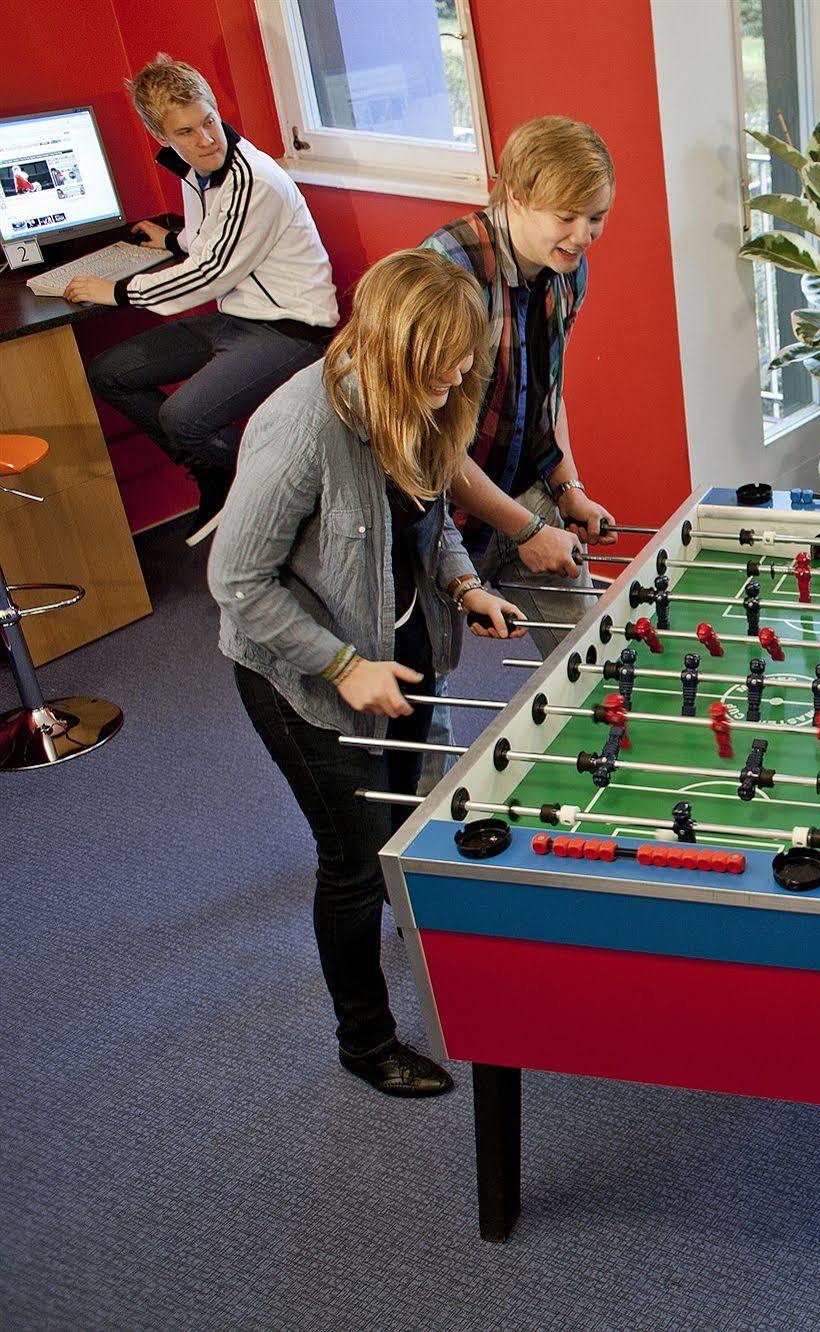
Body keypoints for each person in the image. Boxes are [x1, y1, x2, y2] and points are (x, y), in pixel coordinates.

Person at [208, 249, 526, 1097]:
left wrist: (465, 584)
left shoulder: (421, 401)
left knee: (422, 812)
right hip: (302, 683)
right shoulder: (301, 428)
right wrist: (343, 664)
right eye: (444, 359)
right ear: (392, 349)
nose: (459, 375)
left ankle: (415, 920)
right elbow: (236, 583)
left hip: (404, 653)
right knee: (350, 860)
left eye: (466, 357)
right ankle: (365, 1041)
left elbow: (425, 520)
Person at [73, 54, 337, 544]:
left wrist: (117, 292)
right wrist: (171, 241)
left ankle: (298, 493)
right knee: (110, 372)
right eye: (187, 132)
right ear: (163, 137)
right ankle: (218, 472)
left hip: (292, 328)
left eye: (209, 121)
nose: (206, 139)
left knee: (182, 418)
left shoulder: (252, 179)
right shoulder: (195, 170)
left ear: (216, 110)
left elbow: (212, 271)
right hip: (237, 318)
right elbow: (210, 240)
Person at [421, 114, 619, 656]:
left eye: (596, 217)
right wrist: (527, 531)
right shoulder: (449, 269)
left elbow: (546, 390)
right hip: (437, 506)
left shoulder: (569, 267)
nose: (583, 235)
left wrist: (567, 488)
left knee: (591, 654)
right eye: (566, 216)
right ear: (515, 194)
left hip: (524, 482)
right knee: (422, 675)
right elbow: (432, 443)